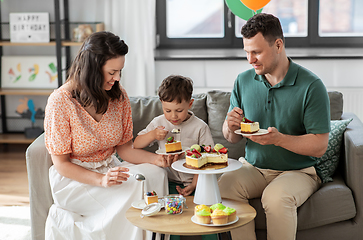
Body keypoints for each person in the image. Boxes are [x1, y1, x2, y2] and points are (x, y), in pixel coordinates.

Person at [44, 31, 172, 240]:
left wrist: (158, 159)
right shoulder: (60, 102)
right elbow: (61, 164)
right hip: (74, 179)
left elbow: (124, 149)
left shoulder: (117, 96)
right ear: (92, 68)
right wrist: (101, 180)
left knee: (157, 175)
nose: (117, 78)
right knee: (133, 188)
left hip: (109, 167)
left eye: (120, 71)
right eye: (112, 72)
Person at [218, 13, 330, 240]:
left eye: (256, 52)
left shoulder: (312, 86)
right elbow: (232, 138)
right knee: (224, 186)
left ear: (278, 45)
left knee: (275, 197)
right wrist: (230, 126)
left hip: (298, 172)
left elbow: (319, 146)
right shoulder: (243, 81)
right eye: (247, 53)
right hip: (254, 168)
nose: (250, 60)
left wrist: (279, 139)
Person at [134, 75, 214, 196]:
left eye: (179, 111)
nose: (173, 116)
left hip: (196, 182)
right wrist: (153, 134)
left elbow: (207, 159)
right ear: (161, 104)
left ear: (190, 104)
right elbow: (136, 144)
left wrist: (194, 185)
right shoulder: (158, 123)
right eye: (168, 111)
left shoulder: (200, 127)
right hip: (167, 181)